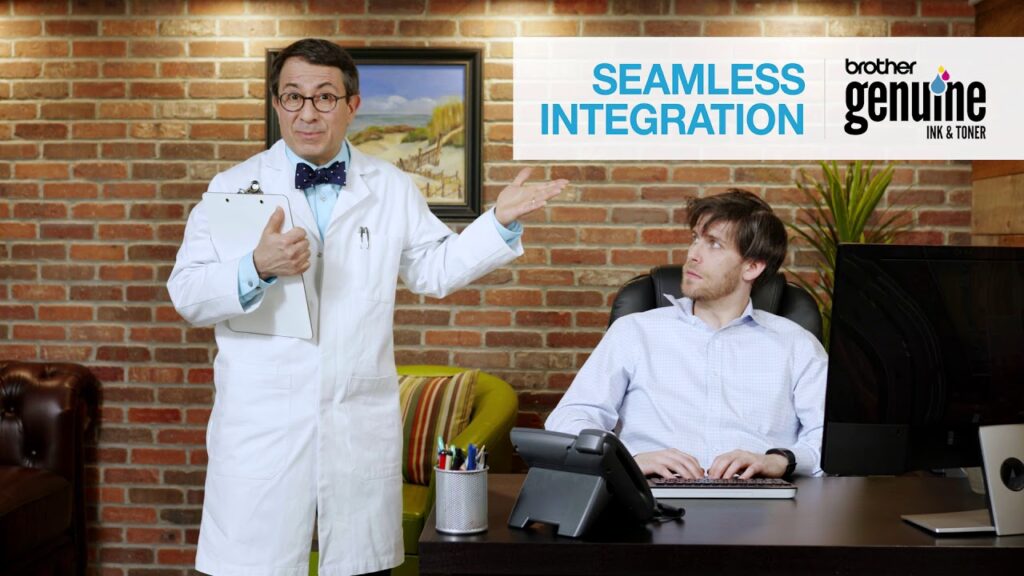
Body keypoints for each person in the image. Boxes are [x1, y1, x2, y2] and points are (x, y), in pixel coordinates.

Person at [167, 38, 567, 576]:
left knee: (358, 564)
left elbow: (434, 270)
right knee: (253, 563)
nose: (308, 113)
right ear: (277, 103)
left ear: (351, 105)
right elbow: (188, 294)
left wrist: (498, 220)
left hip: (355, 415)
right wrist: (256, 266)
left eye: (325, 97)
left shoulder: (391, 187)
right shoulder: (233, 187)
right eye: (293, 97)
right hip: (261, 421)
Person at [545, 190, 827, 480]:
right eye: (695, 239)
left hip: (761, 497)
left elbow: (829, 440)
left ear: (752, 267)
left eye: (714, 244)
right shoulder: (634, 332)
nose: (693, 254)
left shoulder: (797, 345)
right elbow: (568, 419)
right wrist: (629, 460)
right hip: (648, 494)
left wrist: (780, 461)